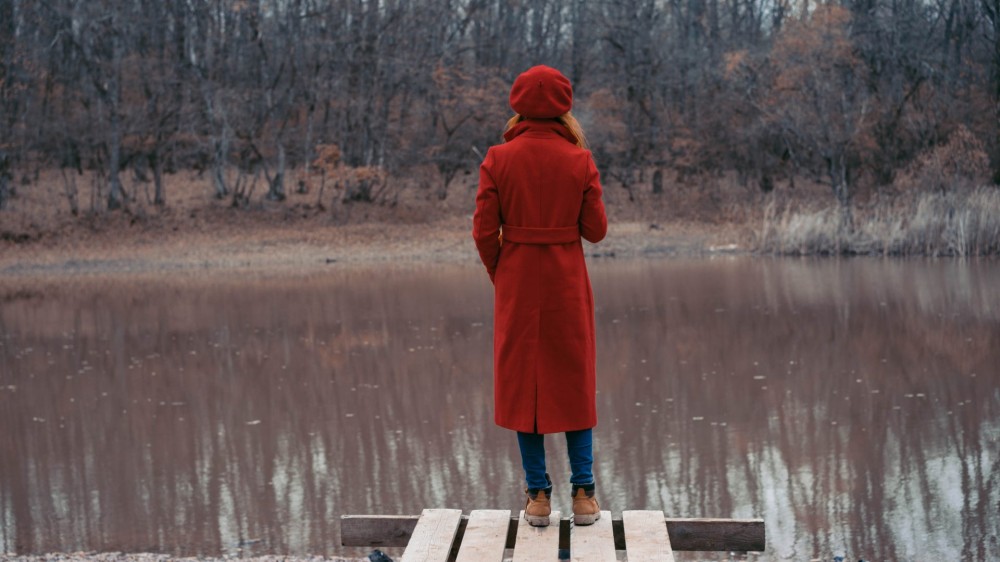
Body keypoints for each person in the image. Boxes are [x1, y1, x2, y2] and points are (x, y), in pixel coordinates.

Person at [472, 65, 608, 527]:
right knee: (573, 379)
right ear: (564, 107)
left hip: (518, 283)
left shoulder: (497, 157)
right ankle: (585, 495)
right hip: (567, 281)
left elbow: (483, 232)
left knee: (521, 387)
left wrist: (502, 272)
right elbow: (596, 231)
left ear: (517, 104)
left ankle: (537, 498)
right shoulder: (579, 160)